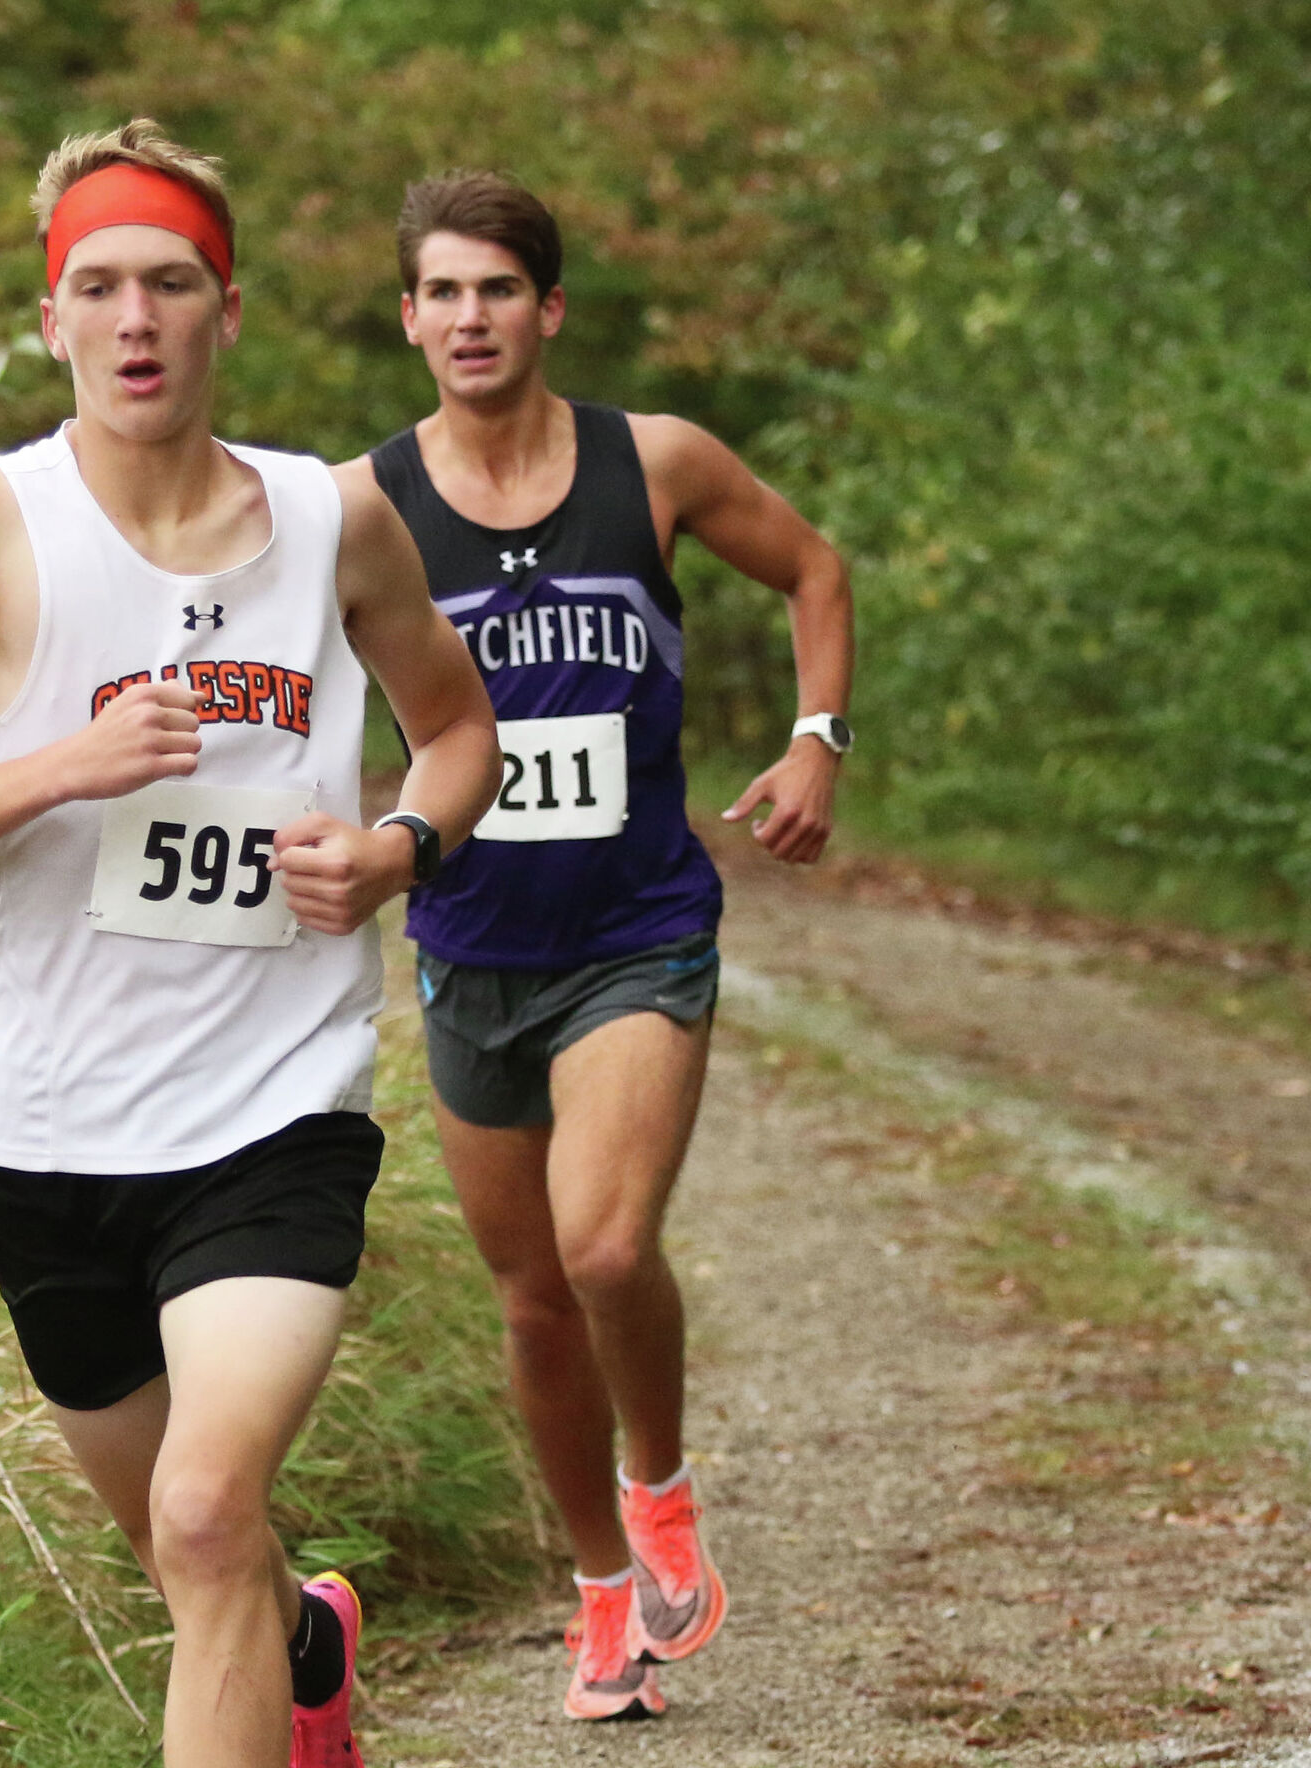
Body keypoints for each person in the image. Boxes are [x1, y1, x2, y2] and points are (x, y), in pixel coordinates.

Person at [0, 121, 499, 1768]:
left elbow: (463, 736)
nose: (136, 320)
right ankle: (303, 1645)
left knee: (202, 1517)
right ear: (53, 321)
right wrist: (67, 762)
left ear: (227, 312)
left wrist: (397, 850)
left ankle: (267, 1628)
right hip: (46, 1137)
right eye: (99, 287)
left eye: (171, 285)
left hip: (276, 1107)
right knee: (197, 1564)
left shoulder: (342, 524)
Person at [364, 170, 854, 1722]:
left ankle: (661, 1483)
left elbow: (815, 569)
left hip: (637, 932)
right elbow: (274, 667)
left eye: (497, 289)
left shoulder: (654, 466)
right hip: (468, 941)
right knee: (527, 1301)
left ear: (548, 309)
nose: (470, 318)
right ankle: (596, 1595)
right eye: (441, 292)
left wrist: (816, 739)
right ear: (408, 320)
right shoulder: (361, 506)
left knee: (605, 1248)